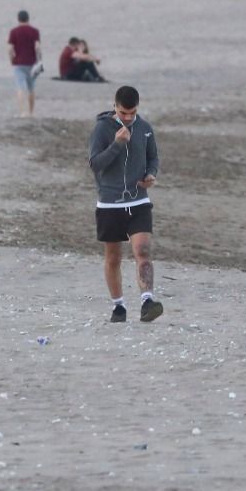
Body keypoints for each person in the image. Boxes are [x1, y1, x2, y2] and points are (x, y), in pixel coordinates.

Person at [88, 85, 162, 323]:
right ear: (115, 107)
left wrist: (151, 174)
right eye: (123, 113)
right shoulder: (102, 129)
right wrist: (117, 144)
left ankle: (147, 301)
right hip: (110, 203)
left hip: (138, 200)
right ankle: (118, 306)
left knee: (142, 250)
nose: (128, 118)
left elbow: (153, 157)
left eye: (132, 113)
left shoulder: (145, 128)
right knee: (113, 258)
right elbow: (96, 164)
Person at [7, 9, 42, 118]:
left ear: (18, 19)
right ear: (28, 18)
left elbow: (10, 48)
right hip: (32, 63)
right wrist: (39, 59)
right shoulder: (35, 31)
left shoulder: (14, 32)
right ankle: (31, 112)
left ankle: (22, 112)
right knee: (31, 88)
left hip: (19, 63)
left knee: (20, 87)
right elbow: (37, 47)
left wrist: (11, 59)